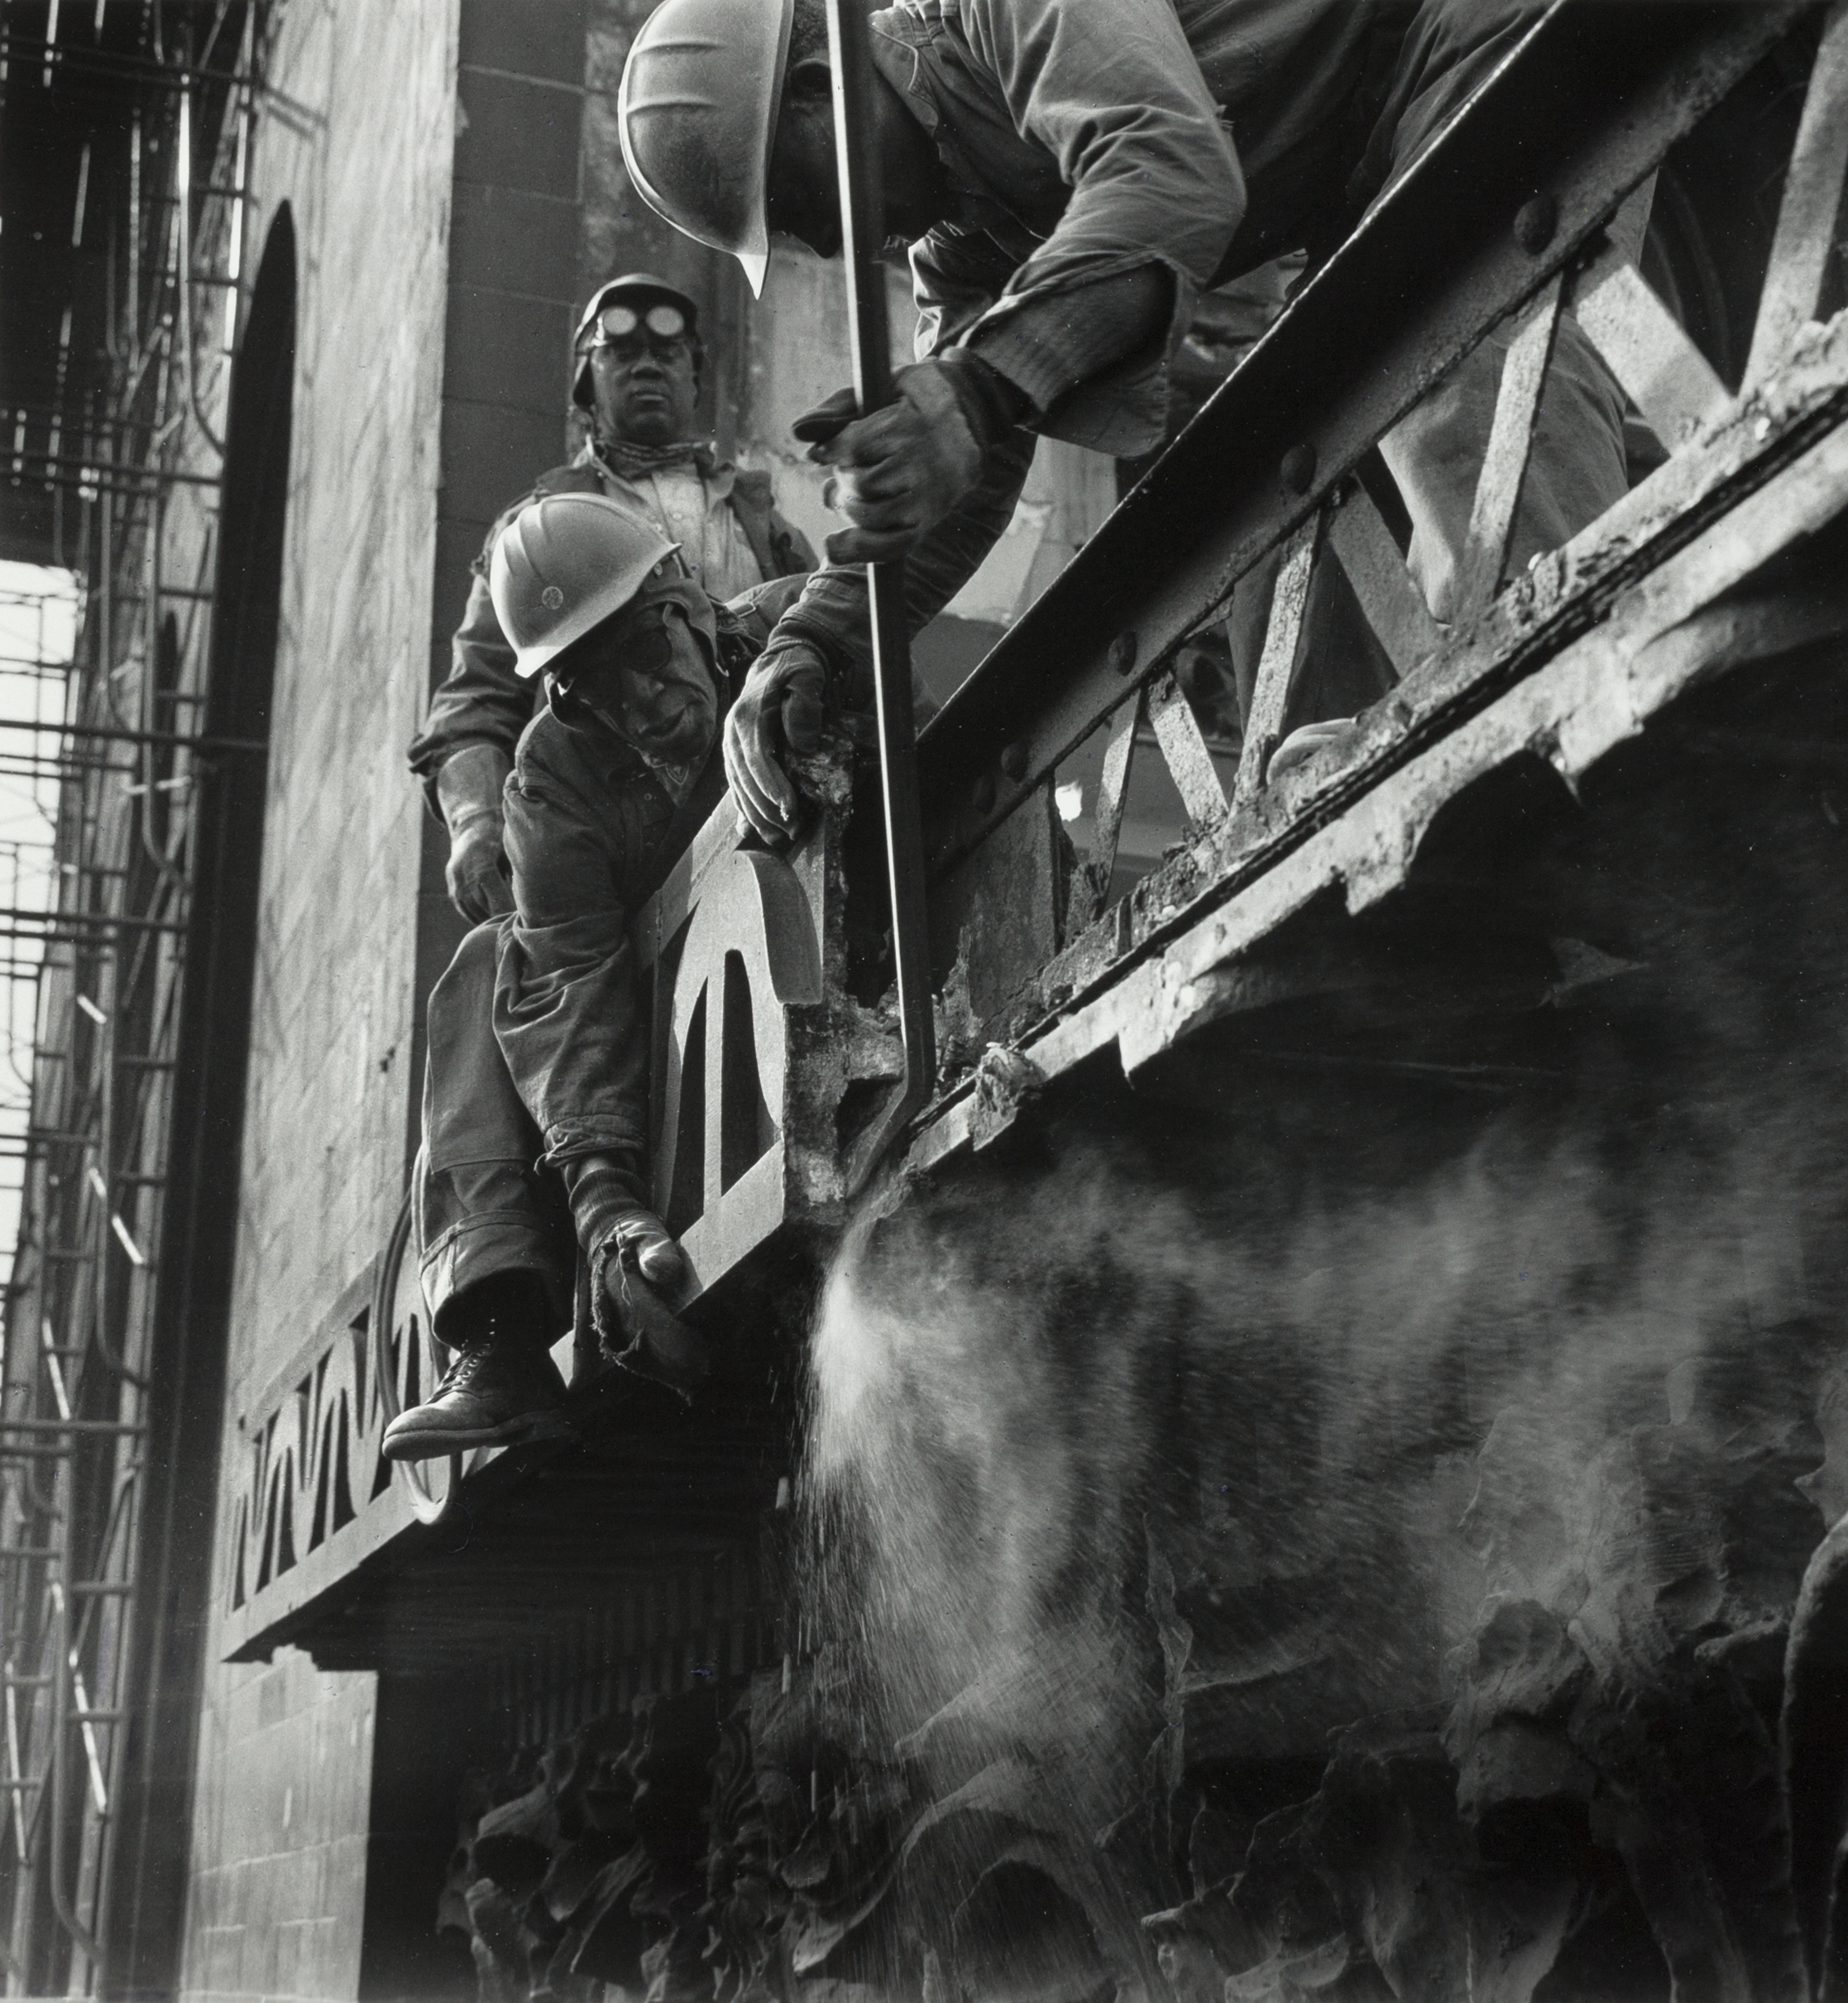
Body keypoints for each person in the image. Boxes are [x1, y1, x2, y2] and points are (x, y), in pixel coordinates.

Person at [616, 0, 1632, 841]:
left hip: (1451, 31)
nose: (831, 250)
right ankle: (1378, 814)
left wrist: (975, 390)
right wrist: (820, 640)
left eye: (801, 203)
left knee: (1447, 336)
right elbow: (957, 483)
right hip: (1365, 159)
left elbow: (1169, 166)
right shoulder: (961, 248)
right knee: (1286, 503)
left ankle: (1570, 682)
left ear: (818, 88)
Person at [384, 495, 798, 1460]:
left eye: (651, 654)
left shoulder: (789, 625)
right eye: (589, 686)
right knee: (491, 962)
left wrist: (807, 660)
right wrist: (604, 1201)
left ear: (691, 606)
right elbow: (572, 984)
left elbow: (892, 634)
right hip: (670, 1060)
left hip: (830, 982)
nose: (640, 704)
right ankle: (499, 1336)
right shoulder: (551, 780)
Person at [409, 272, 815, 924]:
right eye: (620, 353)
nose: (647, 365)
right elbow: (473, 702)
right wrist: (476, 821)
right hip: (622, 825)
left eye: (668, 352)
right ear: (585, 383)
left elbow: (816, 629)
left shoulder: (761, 519)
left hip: (767, 794)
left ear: (694, 378)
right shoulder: (533, 534)